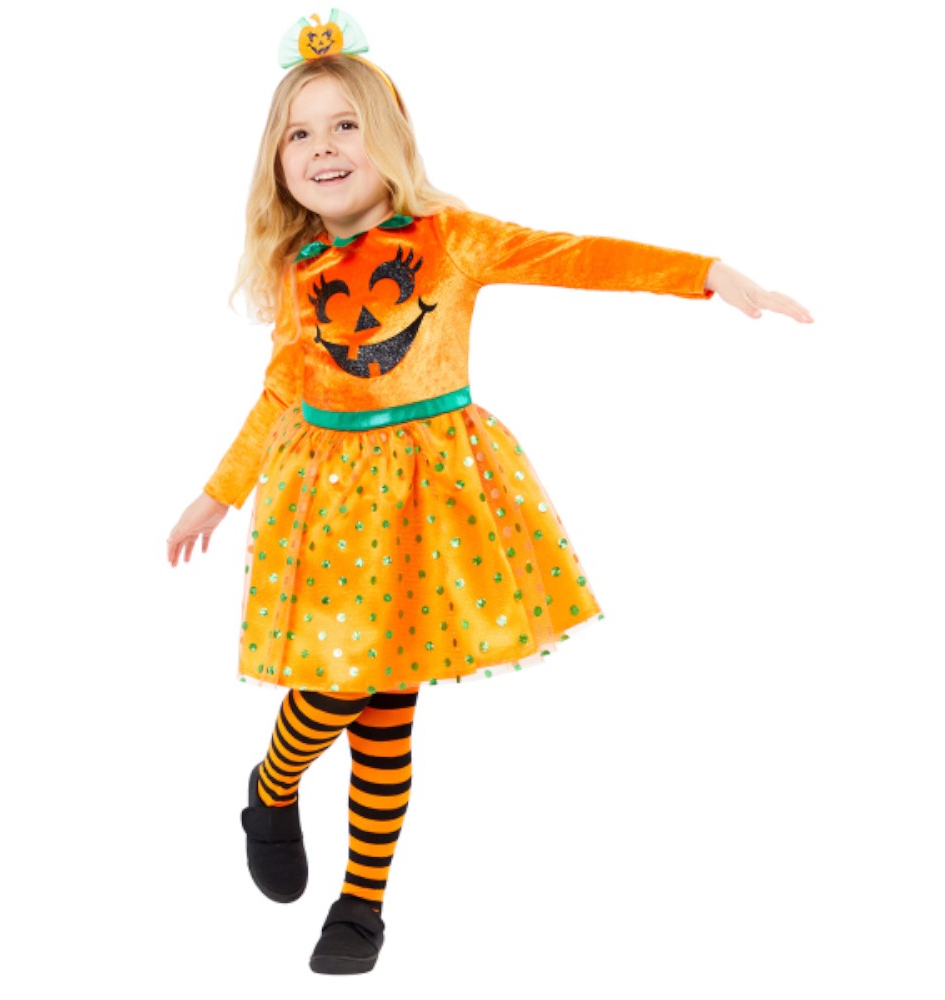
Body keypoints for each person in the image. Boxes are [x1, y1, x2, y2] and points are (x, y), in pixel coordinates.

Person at [166, 9, 812, 977]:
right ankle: (273, 784)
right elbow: (280, 393)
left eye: (345, 125)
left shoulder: (451, 240)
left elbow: (576, 254)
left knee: (388, 706)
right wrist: (218, 492)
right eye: (300, 133)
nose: (323, 147)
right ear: (277, 161)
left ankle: (361, 904)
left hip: (429, 499)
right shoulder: (301, 273)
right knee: (339, 682)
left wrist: (709, 274)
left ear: (391, 139)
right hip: (331, 506)